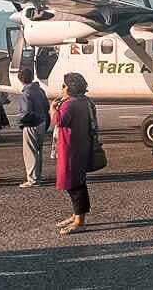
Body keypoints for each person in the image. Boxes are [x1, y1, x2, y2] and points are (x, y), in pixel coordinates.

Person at [51, 72, 95, 235]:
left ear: (69, 87)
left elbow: (59, 121)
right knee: (78, 182)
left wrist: (53, 108)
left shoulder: (69, 104)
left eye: (64, 85)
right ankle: (77, 214)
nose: (62, 88)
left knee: (73, 185)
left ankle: (79, 220)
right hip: (81, 145)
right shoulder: (84, 102)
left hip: (70, 148)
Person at [17, 67, 49, 188]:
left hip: (31, 124)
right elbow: (46, 106)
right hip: (42, 122)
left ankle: (32, 179)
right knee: (38, 151)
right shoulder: (40, 90)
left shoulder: (26, 93)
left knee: (30, 152)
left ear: (21, 79)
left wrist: (21, 122)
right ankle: (38, 176)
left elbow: (25, 113)